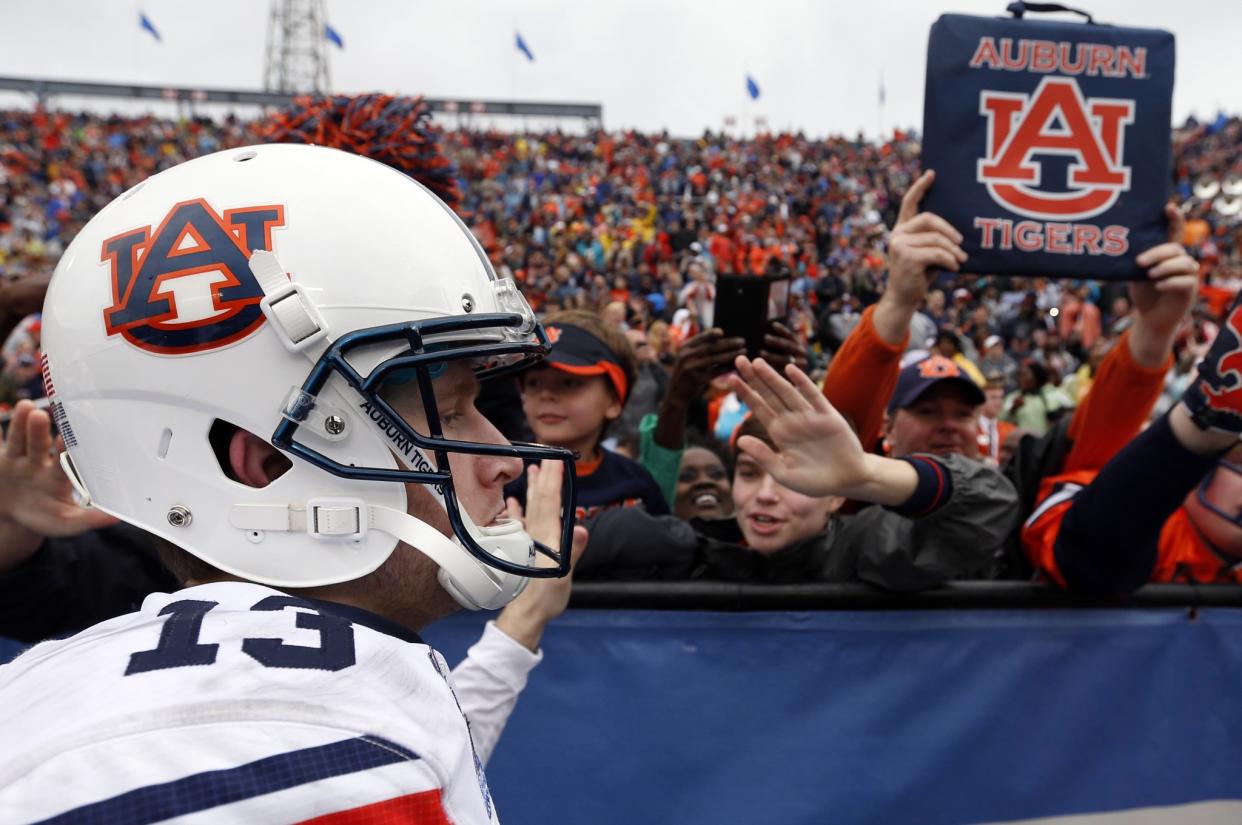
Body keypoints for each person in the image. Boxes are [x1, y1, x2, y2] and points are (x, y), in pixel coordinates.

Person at [0, 144, 588, 824]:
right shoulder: (322, 752)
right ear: (265, 467)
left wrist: (519, 629)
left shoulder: (62, 697)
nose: (504, 458)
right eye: (449, 413)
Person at [508, 309, 668, 520]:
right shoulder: (504, 476)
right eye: (534, 382)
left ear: (612, 401)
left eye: (569, 382)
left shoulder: (635, 481)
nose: (546, 395)